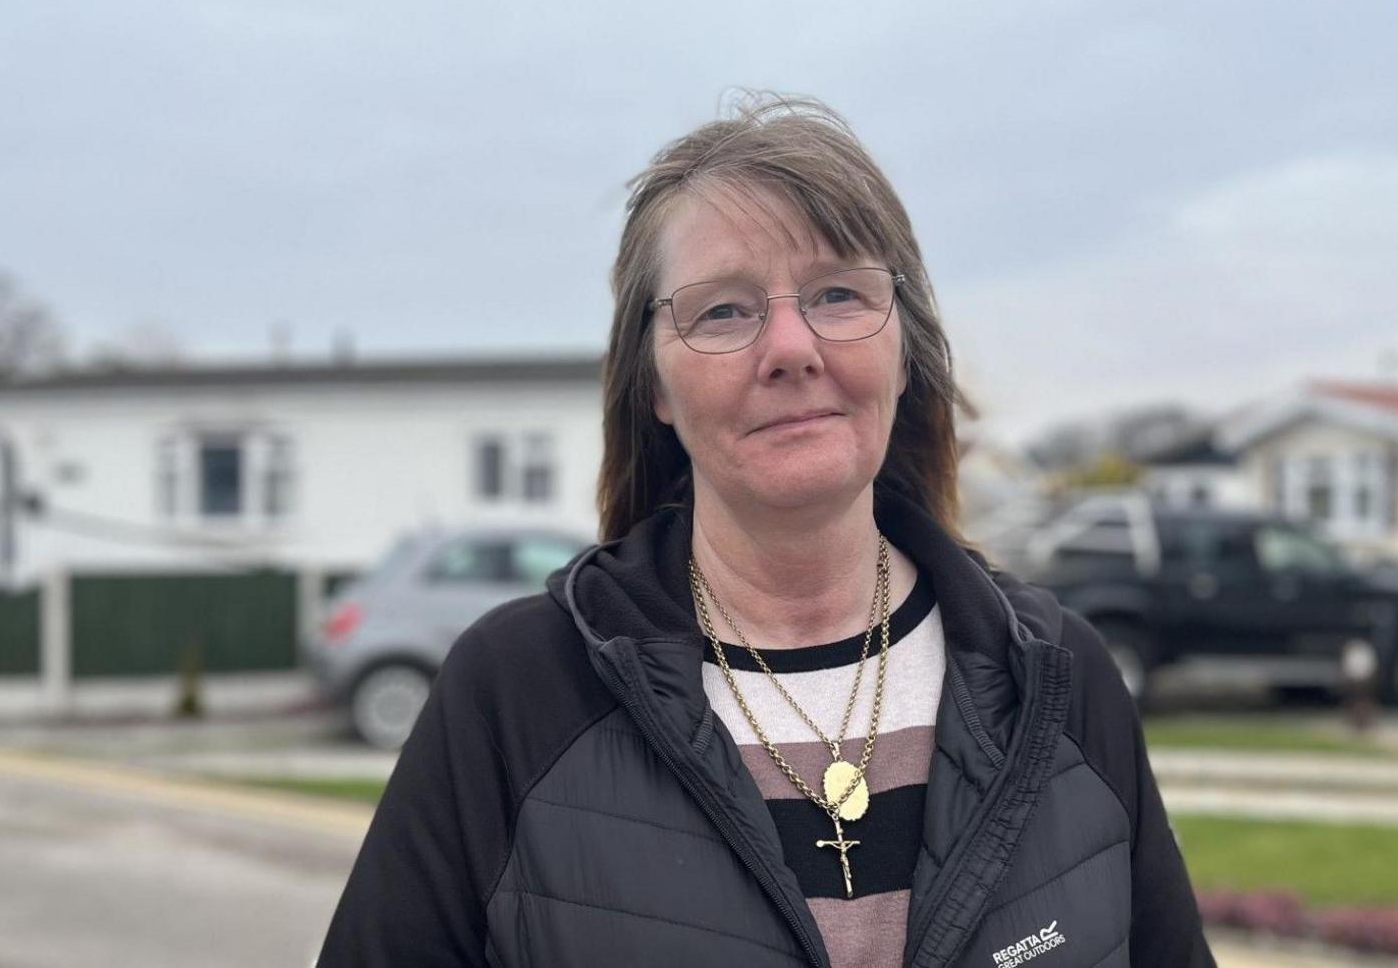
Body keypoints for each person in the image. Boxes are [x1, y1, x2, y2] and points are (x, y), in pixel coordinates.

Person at [319, 95, 1215, 967]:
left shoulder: (1058, 679)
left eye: (837, 294)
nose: (791, 347)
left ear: (905, 354)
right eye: (723, 311)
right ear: (654, 389)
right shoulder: (514, 696)